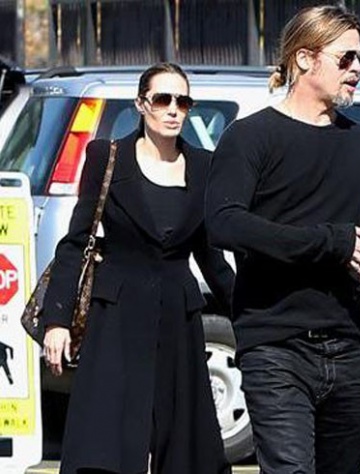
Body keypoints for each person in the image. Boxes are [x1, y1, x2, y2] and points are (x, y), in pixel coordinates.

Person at [205, 5, 360, 474]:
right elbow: (225, 223)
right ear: (305, 58)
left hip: (349, 342)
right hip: (276, 343)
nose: (357, 68)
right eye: (345, 58)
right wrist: (333, 244)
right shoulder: (251, 137)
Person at [42, 62, 233, 474]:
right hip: (116, 316)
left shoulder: (204, 166)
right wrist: (56, 320)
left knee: (184, 447)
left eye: (183, 101)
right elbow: (76, 241)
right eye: (162, 99)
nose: (173, 110)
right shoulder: (107, 157)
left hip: (178, 319)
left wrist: (254, 318)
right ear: (141, 104)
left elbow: (211, 257)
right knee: (105, 443)